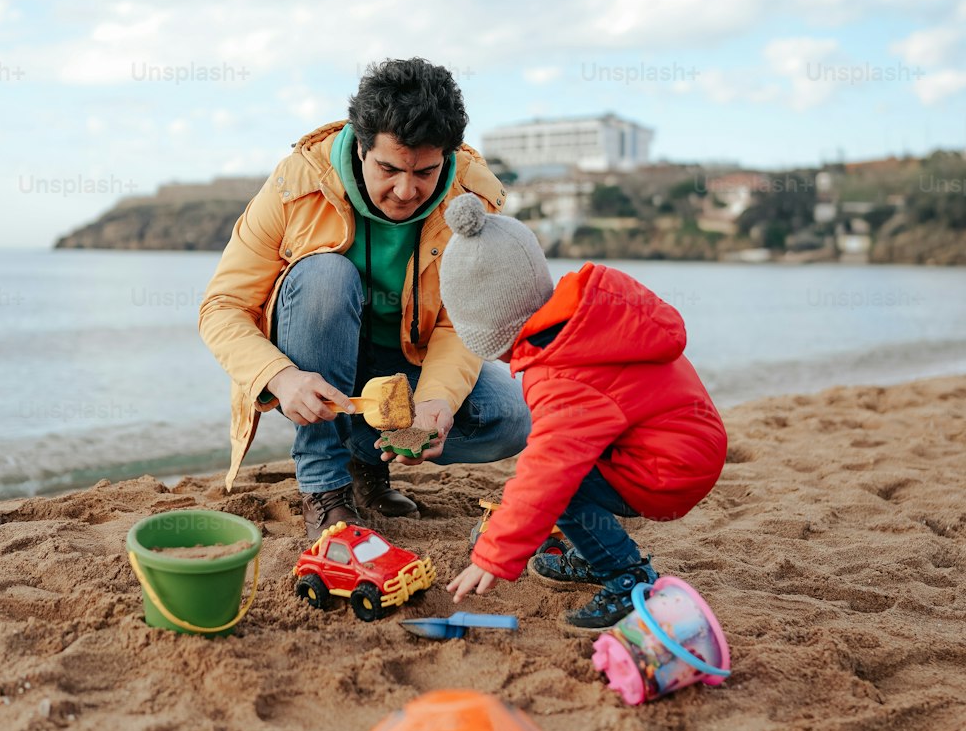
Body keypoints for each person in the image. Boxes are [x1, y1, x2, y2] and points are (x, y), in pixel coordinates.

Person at [198, 58, 530, 539]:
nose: (405, 190)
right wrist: (281, 377)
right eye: (389, 168)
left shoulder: (472, 202)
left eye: (426, 172)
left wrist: (437, 400)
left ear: (449, 156)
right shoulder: (296, 184)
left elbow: (459, 321)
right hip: (318, 360)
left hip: (405, 368)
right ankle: (324, 487)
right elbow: (222, 307)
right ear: (361, 145)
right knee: (326, 275)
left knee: (511, 416)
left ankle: (364, 463)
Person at [439, 193, 728, 632]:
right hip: (689, 442)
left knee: (561, 485)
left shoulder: (560, 375)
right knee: (565, 467)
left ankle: (625, 577)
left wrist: (494, 555)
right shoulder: (589, 315)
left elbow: (547, 472)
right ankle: (597, 555)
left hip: (669, 469)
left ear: (492, 334)